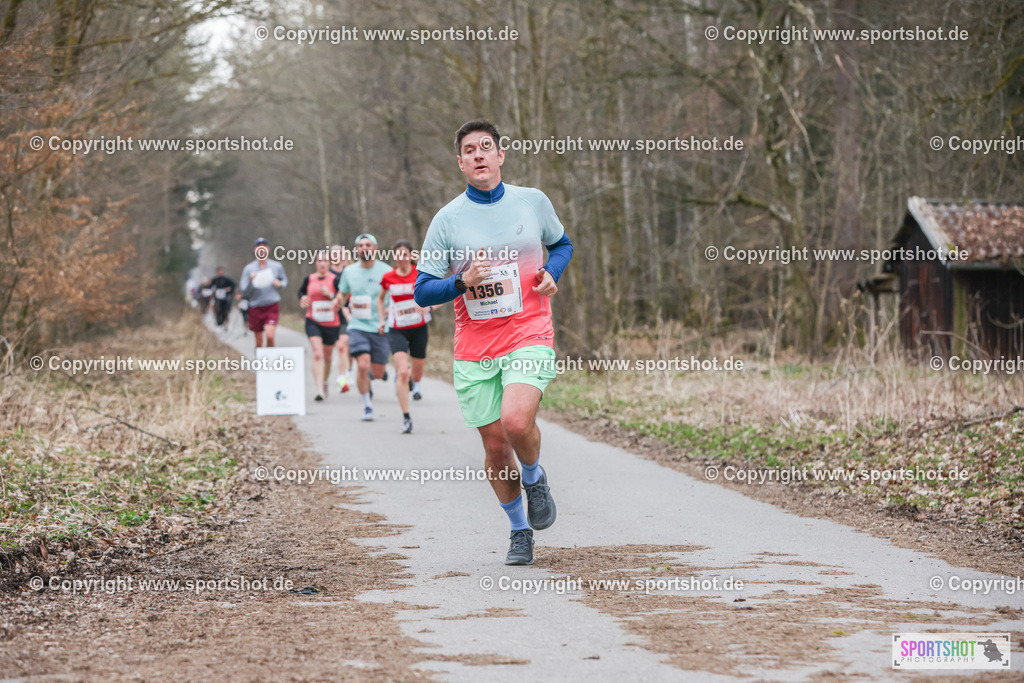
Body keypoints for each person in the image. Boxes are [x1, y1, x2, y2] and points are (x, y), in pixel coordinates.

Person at [414, 120, 574, 566]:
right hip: (476, 346)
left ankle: (534, 477)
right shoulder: (447, 220)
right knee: (496, 447)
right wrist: (461, 282)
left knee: (517, 423)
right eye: (470, 149)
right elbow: (422, 291)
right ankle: (520, 530)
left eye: (487, 146)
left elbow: (562, 245)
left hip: (529, 331)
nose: (479, 154)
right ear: (460, 162)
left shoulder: (532, 202)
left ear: (501, 155)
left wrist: (551, 273)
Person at [378, 240, 431, 433]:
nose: (401, 258)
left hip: (419, 328)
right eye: (397, 254)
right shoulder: (388, 277)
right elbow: (380, 299)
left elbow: (440, 294)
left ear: (410, 255)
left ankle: (412, 381)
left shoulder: (420, 273)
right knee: (402, 371)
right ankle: (406, 417)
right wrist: (381, 319)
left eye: (404, 254)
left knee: (416, 374)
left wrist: (429, 306)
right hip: (397, 328)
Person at [339, 234, 392, 421]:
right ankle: (367, 405)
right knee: (362, 363)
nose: (364, 248)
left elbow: (396, 296)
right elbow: (342, 294)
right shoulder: (349, 271)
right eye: (360, 245)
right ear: (356, 250)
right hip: (357, 325)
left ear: (375, 249)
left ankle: (374, 372)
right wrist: (336, 302)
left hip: (380, 327)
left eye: (368, 245)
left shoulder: (387, 271)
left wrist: (390, 310)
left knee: (377, 372)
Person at [298, 253, 343, 401]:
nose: (322, 263)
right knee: (318, 353)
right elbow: (301, 292)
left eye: (325, 261)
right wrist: (303, 298)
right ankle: (319, 390)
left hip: (331, 323)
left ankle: (324, 381)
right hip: (313, 320)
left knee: (328, 356)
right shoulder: (309, 279)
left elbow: (343, 298)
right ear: (316, 263)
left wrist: (331, 295)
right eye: (319, 261)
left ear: (329, 263)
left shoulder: (335, 280)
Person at [238, 238, 288, 348]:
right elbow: (244, 289)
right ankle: (260, 358)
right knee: (259, 342)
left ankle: (271, 357)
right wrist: (251, 281)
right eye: (259, 247)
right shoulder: (249, 268)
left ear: (268, 249)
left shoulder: (276, 266)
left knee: (270, 336)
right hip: (255, 306)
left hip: (271, 305)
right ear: (255, 250)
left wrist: (280, 284)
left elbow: (284, 281)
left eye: (264, 246)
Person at [329, 244, 353, 394]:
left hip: (349, 312)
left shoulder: (349, 271)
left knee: (345, 345)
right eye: (333, 253)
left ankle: (347, 373)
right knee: (341, 346)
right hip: (332, 314)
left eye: (339, 253)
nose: (336, 255)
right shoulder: (326, 272)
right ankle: (342, 376)